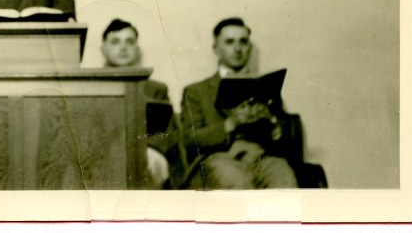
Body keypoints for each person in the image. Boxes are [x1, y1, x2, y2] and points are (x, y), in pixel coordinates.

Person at [179, 17, 298, 189]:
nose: (237, 49)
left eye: (243, 42)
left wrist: (273, 124)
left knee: (284, 179)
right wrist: (229, 124)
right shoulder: (196, 91)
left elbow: (286, 139)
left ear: (249, 47)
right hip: (218, 160)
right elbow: (189, 139)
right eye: (229, 42)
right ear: (216, 49)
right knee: (237, 181)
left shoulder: (265, 86)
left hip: (261, 158)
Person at [100, 18, 175, 189]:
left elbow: (165, 135)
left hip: (146, 150)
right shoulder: (91, 87)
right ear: (103, 49)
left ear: (136, 49)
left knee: (150, 162)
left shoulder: (156, 89)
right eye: (115, 41)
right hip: (104, 151)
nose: (123, 47)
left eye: (129, 42)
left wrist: (136, 149)